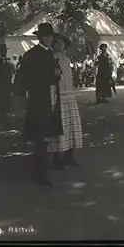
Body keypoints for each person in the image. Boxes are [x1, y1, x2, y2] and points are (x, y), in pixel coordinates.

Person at [13, 23, 63, 186]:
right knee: (40, 135)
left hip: (50, 96)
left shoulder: (49, 54)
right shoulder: (32, 55)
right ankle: (41, 172)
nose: (48, 39)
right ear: (40, 37)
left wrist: (56, 74)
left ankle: (42, 168)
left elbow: (56, 73)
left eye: (50, 36)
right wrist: (25, 90)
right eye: (45, 36)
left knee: (45, 134)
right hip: (38, 98)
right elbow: (22, 77)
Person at [49, 34, 83, 169]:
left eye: (62, 43)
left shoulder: (66, 60)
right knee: (59, 128)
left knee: (73, 127)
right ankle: (57, 160)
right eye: (57, 43)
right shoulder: (51, 59)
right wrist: (52, 98)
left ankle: (69, 156)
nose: (60, 45)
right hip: (58, 97)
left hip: (70, 96)